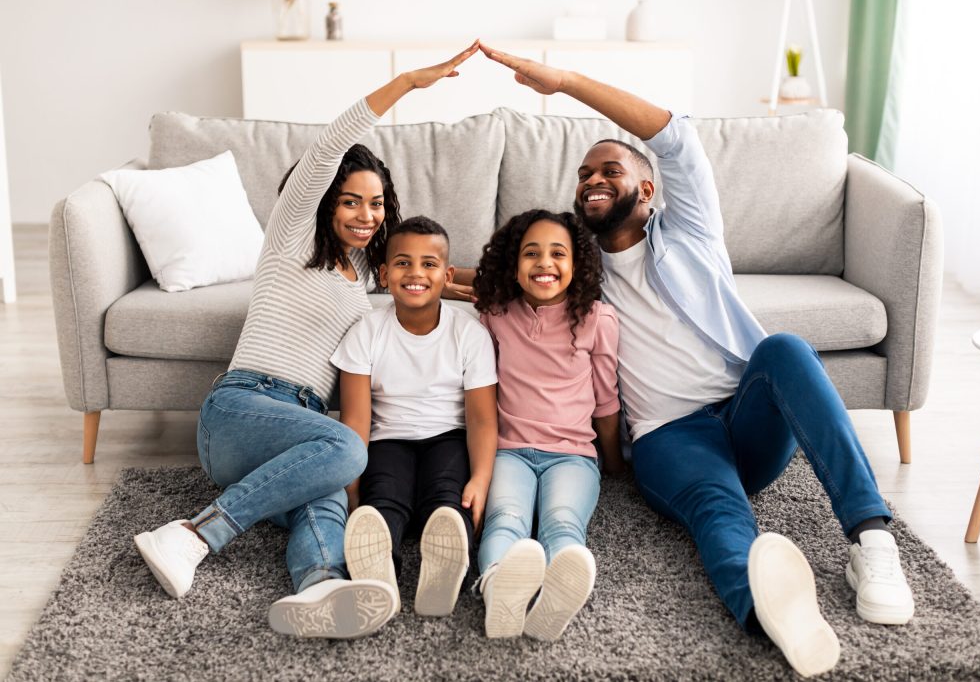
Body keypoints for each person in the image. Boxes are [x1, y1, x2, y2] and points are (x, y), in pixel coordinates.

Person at [481, 43, 915, 676]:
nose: (592, 181)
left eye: (608, 171)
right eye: (583, 175)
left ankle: (871, 539)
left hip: (747, 414)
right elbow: (500, 278)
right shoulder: (577, 273)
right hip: (668, 437)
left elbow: (675, 137)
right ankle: (768, 613)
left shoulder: (690, 230)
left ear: (649, 190)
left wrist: (567, 82)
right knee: (719, 513)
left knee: (786, 349)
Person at [132, 42, 481, 640]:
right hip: (242, 410)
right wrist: (406, 84)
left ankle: (320, 589)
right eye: (351, 201)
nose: (366, 214)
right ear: (323, 202)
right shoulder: (292, 235)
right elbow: (329, 147)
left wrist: (520, 280)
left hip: (300, 437)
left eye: (376, 204)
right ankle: (193, 534)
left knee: (328, 502)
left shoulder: (365, 279)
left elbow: (426, 275)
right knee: (351, 451)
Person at [332, 216, 498, 619]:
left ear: (448, 273)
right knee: (384, 498)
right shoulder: (366, 331)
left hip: (449, 437)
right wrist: (352, 491)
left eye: (429, 263)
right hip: (388, 439)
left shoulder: (469, 332)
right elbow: (355, 419)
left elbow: (480, 419)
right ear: (385, 274)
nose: (416, 274)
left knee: (448, 499)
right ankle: (379, 572)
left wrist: (480, 479)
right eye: (403, 263)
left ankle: (443, 572)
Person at [471, 209, 622, 641]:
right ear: (513, 265)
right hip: (509, 451)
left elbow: (606, 402)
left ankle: (559, 590)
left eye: (558, 254)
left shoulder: (598, 319)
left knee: (561, 522)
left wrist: (612, 465)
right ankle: (499, 590)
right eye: (531, 254)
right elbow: (475, 291)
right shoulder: (496, 314)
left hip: (573, 456)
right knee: (505, 519)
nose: (544, 263)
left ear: (576, 265)